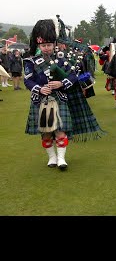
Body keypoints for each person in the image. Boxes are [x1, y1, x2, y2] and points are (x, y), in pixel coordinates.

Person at [24, 19, 78, 170]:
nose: (47, 48)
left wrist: (61, 83)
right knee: (46, 133)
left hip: (59, 98)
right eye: (43, 45)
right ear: (39, 45)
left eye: (49, 45)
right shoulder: (30, 61)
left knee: (61, 130)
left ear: (54, 44)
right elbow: (27, 81)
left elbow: (73, 76)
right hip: (40, 100)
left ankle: (61, 158)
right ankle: (52, 157)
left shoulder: (62, 59)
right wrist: (39, 89)